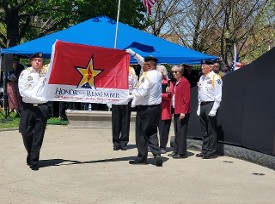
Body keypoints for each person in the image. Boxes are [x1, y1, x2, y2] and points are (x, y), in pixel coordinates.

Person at [128, 56, 163, 167]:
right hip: (156, 107)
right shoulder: (157, 74)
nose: (141, 65)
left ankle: (142, 158)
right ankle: (157, 154)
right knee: (152, 131)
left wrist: (131, 96)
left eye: (144, 64)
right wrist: (134, 54)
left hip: (145, 108)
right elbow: (142, 60)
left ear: (148, 66)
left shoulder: (147, 76)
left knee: (141, 133)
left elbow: (142, 91)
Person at [18, 52, 48, 171]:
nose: (37, 62)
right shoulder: (25, 73)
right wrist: (37, 98)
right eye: (35, 60)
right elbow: (23, 91)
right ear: (31, 61)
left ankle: (34, 161)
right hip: (28, 106)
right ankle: (31, 154)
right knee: (25, 131)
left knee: (38, 134)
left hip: (42, 107)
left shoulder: (46, 72)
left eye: (40, 60)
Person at [196, 60, 222, 159]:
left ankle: (211, 151)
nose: (202, 68)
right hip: (202, 104)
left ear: (210, 67)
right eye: (202, 67)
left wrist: (214, 109)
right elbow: (200, 94)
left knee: (211, 129)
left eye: (204, 67)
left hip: (211, 104)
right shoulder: (202, 78)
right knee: (204, 130)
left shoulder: (216, 78)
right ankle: (204, 150)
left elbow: (218, 95)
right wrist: (199, 106)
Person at [111, 66, 138, 151]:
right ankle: (116, 142)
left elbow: (135, 85)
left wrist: (132, 96)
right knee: (116, 120)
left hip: (127, 97)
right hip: (117, 96)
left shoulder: (131, 70)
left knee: (125, 121)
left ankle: (124, 142)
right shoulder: (115, 68)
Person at [168, 65, 191, 159]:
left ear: (181, 73)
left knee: (181, 132)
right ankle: (176, 150)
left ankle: (182, 152)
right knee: (177, 132)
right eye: (173, 72)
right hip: (176, 109)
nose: (174, 73)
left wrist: (183, 111)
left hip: (182, 111)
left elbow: (187, 99)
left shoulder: (184, 82)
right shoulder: (175, 82)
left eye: (176, 72)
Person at [156, 65, 173, 154]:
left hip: (165, 111)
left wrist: (161, 95)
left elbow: (171, 96)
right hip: (155, 110)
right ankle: (153, 145)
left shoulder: (169, 83)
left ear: (163, 73)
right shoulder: (154, 82)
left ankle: (163, 146)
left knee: (163, 131)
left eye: (158, 72)